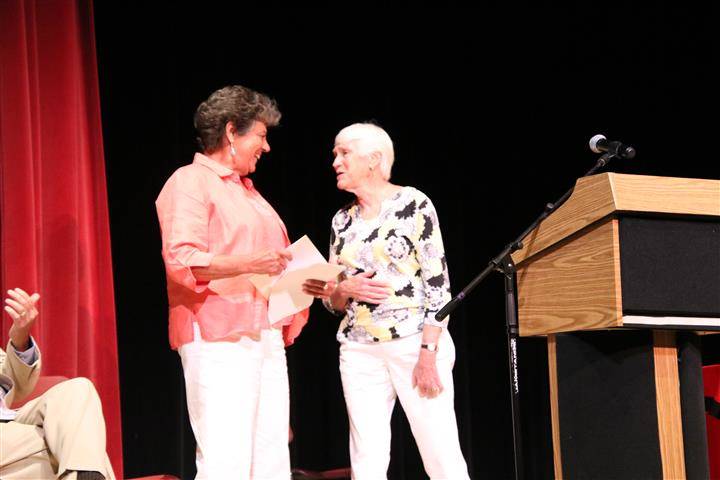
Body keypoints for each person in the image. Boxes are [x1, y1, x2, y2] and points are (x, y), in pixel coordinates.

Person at [155, 85, 308, 479]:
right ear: (230, 133)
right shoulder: (189, 181)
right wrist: (249, 262)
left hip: (263, 336)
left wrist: (306, 285)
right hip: (218, 336)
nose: (267, 146)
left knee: (272, 457)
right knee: (227, 459)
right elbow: (183, 259)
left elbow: (276, 264)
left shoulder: (250, 194)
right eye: (260, 135)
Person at [303, 123, 470, 479]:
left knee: (440, 453)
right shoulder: (341, 220)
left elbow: (439, 287)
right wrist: (343, 290)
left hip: (414, 343)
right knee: (367, 459)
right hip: (358, 348)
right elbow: (331, 301)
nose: (335, 161)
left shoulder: (413, 203)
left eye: (344, 153)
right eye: (336, 153)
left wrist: (428, 354)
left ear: (374, 159)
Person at [0, 288, 115, 480]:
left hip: (11, 420)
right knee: (74, 443)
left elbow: (14, 383)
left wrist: (20, 338)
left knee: (78, 390)